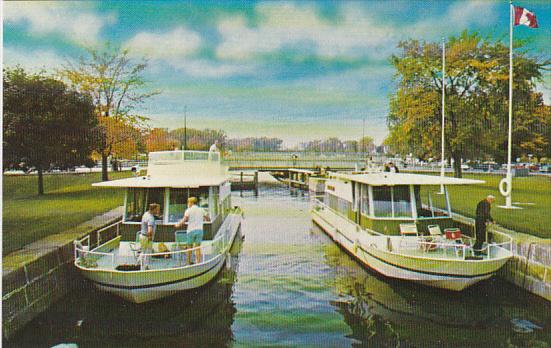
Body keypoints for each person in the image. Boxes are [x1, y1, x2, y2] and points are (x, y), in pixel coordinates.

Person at [175, 197, 210, 264]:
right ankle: (198, 262)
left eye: (188, 202)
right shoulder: (201, 209)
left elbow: (184, 220)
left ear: (191, 202)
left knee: (189, 248)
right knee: (197, 247)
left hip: (191, 230)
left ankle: (188, 262)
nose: (188, 204)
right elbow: (208, 218)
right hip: (199, 230)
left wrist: (178, 225)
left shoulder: (188, 210)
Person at [138, 203, 160, 269]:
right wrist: (150, 237)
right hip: (147, 237)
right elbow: (150, 230)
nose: (157, 211)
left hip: (142, 236)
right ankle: (146, 267)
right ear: (153, 209)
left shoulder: (145, 214)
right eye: (157, 210)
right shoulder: (151, 218)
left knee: (143, 251)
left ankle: (140, 265)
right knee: (148, 253)